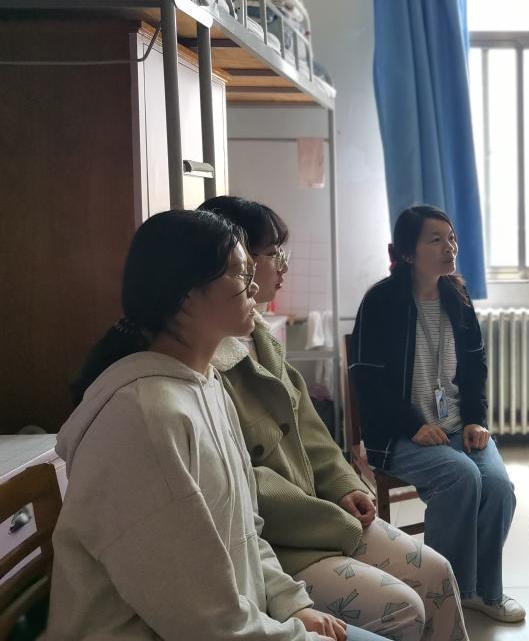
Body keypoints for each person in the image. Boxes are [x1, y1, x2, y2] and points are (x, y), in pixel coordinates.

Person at [48, 209, 386, 641]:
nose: (255, 286)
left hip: (240, 619)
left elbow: (247, 530)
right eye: (241, 274)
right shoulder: (145, 419)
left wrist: (292, 603)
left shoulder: (205, 385)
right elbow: (200, 620)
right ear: (187, 293)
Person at [201, 196, 468, 641]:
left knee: (438, 572)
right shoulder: (209, 370)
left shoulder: (262, 339)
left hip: (326, 516)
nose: (282, 266)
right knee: (406, 607)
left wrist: (344, 485)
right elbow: (247, 487)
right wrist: (332, 513)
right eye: (272, 254)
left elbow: (312, 433)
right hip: (288, 541)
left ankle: (482, 592)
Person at [350, 205, 523, 623]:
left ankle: (482, 591)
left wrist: (476, 419)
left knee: (499, 487)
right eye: (436, 240)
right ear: (408, 253)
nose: (450, 248)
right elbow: (369, 381)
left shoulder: (457, 298)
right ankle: (442, 593)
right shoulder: (381, 301)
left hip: (457, 427)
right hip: (398, 434)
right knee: (461, 476)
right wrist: (414, 425)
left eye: (452, 238)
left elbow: (476, 369)